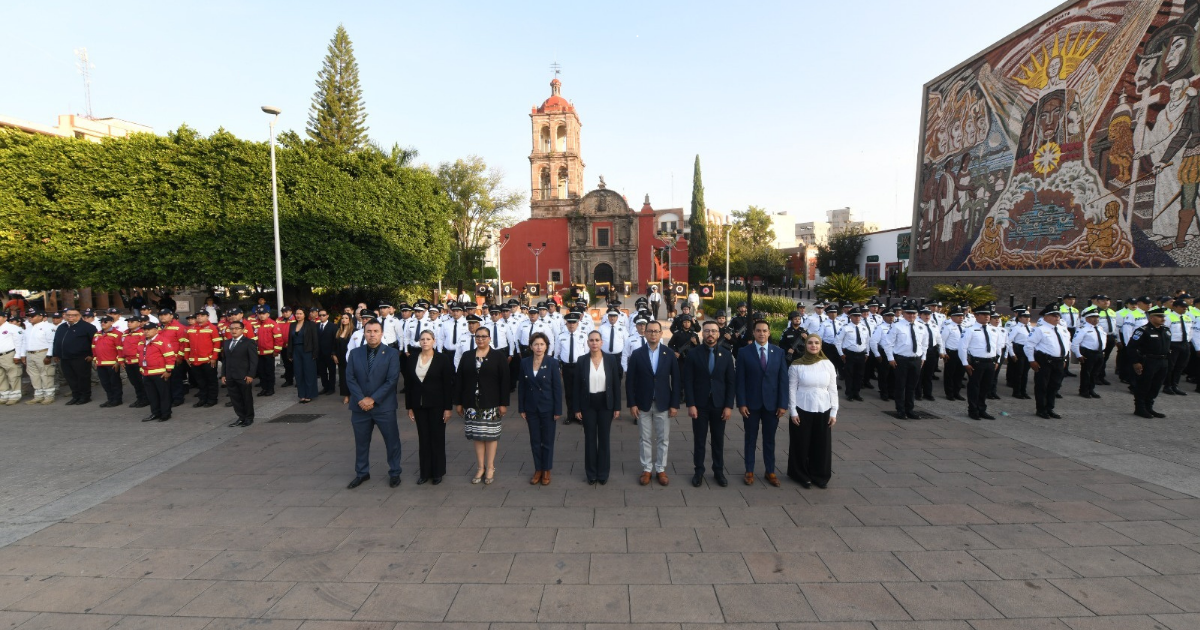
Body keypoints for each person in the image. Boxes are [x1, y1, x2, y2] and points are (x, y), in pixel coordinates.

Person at [346, 320, 403, 488]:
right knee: (361, 442)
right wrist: (361, 399)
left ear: (381, 333)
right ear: (364, 333)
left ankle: (395, 472)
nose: (372, 334)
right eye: (369, 331)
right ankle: (362, 473)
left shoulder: (391, 353)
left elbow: (392, 380)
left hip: (384, 406)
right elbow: (350, 378)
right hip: (360, 406)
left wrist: (373, 399)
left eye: (375, 331)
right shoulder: (355, 353)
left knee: (392, 441)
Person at [625, 320, 680, 486]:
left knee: (663, 438)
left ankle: (661, 469)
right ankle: (647, 469)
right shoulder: (637, 354)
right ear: (645, 333)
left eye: (656, 331)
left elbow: (676, 380)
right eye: (650, 331)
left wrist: (674, 404)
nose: (653, 334)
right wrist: (632, 403)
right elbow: (630, 381)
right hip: (643, 403)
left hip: (663, 402)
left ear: (661, 334)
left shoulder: (669, 353)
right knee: (645, 438)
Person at [735, 320, 789, 486]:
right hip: (751, 404)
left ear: (769, 332)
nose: (762, 333)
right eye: (758, 330)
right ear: (754, 332)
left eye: (765, 330)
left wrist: (783, 404)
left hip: (772, 405)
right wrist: (741, 403)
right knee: (750, 438)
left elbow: (783, 380)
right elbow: (740, 380)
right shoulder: (744, 352)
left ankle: (770, 471)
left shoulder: (778, 352)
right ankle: (749, 470)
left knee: (769, 439)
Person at [455, 325, 511, 485]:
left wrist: (503, 403)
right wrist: (458, 402)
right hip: (472, 403)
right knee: (478, 436)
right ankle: (480, 467)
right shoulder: (467, 356)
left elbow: (504, 381)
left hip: (491, 403)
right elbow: (460, 380)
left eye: (484, 336)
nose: (480, 339)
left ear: (489, 338)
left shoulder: (498, 356)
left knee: (491, 436)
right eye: (478, 336)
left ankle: (491, 466)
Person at [682, 320, 735, 487]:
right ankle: (699, 471)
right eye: (707, 331)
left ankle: (718, 471)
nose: (710, 334)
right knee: (699, 440)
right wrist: (691, 404)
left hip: (719, 405)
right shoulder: (693, 353)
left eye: (713, 331)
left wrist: (728, 406)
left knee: (718, 440)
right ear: (702, 333)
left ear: (718, 334)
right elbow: (688, 381)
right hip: (700, 404)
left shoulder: (726, 355)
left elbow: (730, 382)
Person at [787, 335, 838, 488]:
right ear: (805, 345)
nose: (813, 346)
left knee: (821, 444)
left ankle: (819, 475)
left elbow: (833, 389)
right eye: (810, 343)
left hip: (823, 408)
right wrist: (793, 411)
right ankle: (800, 474)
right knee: (801, 443)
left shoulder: (828, 364)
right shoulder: (797, 365)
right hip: (802, 407)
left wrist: (834, 411)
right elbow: (791, 389)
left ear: (821, 345)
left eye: (816, 343)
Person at [406, 330, 455, 485]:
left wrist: (448, 408)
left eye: (428, 339)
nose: (425, 342)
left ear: (434, 341)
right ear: (419, 342)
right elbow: (409, 384)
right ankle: (424, 472)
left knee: (437, 438)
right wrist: (410, 407)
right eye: (422, 339)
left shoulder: (442, 359)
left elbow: (448, 385)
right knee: (423, 438)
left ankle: (438, 472)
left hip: (437, 405)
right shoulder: (413, 358)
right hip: (418, 405)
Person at [575, 331, 621, 485]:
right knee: (589, 439)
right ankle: (591, 473)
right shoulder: (581, 361)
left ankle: (603, 473)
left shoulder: (610, 359)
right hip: (588, 404)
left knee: (604, 438)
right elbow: (576, 387)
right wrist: (576, 408)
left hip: (605, 403)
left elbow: (616, 384)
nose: (594, 343)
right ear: (587, 343)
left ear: (602, 342)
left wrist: (617, 406)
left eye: (597, 340)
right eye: (591, 340)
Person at [517, 332, 563, 485]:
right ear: (530, 346)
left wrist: (558, 410)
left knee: (548, 440)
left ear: (546, 346)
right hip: (531, 408)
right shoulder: (524, 363)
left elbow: (557, 388)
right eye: (536, 344)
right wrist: (521, 408)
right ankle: (538, 469)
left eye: (542, 344)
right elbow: (522, 387)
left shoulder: (552, 363)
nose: (539, 347)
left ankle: (547, 469)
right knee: (535, 440)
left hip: (548, 407)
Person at [883, 304, 928, 419]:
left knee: (912, 386)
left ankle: (910, 409)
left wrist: (923, 358)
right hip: (901, 359)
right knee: (900, 386)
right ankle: (900, 410)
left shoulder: (921, 326)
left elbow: (924, 344)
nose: (911, 315)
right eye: (909, 313)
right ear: (903, 313)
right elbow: (888, 343)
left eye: (913, 313)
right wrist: (890, 358)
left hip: (916, 360)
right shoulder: (897, 326)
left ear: (917, 314)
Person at [1025, 306, 1070, 419]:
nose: (1057, 317)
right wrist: (1031, 360)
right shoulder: (1039, 329)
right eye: (1054, 315)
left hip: (1059, 361)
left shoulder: (1062, 329)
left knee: (1055, 386)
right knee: (1042, 386)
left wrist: (1064, 359)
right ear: (1046, 316)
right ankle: (1041, 409)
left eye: (1058, 315)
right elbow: (1029, 345)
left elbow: (1066, 345)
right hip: (1045, 361)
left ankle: (1050, 408)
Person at [1127, 307, 1172, 418]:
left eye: (1163, 316)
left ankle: (1149, 407)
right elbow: (1131, 347)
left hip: (1163, 361)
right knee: (1144, 385)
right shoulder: (1143, 330)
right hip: (1149, 361)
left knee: (1156, 386)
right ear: (1152, 317)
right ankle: (1140, 408)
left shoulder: (1166, 330)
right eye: (1160, 316)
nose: (1163, 319)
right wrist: (1136, 362)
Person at [959, 308, 1001, 420]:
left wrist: (998, 360)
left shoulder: (993, 330)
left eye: (988, 315)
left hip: (990, 362)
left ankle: (982, 409)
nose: (987, 316)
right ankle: (973, 410)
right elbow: (962, 347)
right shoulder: (970, 330)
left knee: (985, 387)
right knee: (974, 387)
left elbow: (997, 347)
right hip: (977, 362)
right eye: (983, 314)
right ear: (976, 316)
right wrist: (965, 363)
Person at [53, 308, 97, 405]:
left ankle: (85, 396)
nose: (70, 317)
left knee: (83, 378)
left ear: (79, 316)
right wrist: (56, 353)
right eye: (68, 315)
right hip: (65, 358)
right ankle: (75, 396)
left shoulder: (88, 327)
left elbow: (95, 342)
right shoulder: (62, 327)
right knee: (70, 378)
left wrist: (92, 355)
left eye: (73, 315)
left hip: (81, 358)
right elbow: (56, 341)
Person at [222, 320, 259, 427]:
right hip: (230, 375)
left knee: (246, 398)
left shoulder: (249, 342)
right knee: (235, 398)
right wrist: (224, 374)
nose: (234, 331)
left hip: (243, 375)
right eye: (232, 328)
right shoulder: (227, 342)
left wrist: (251, 375)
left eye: (237, 328)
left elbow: (253, 360)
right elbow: (225, 360)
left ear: (242, 330)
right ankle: (240, 417)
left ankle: (249, 418)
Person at [138, 322, 177, 422]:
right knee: (152, 395)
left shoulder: (162, 341)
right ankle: (155, 413)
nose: (146, 331)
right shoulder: (142, 341)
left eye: (149, 329)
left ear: (156, 330)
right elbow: (140, 355)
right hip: (147, 373)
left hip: (160, 373)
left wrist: (168, 370)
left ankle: (166, 414)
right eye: (145, 329)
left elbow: (170, 357)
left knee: (163, 395)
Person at [182, 310, 221, 408]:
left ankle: (212, 399)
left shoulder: (212, 328)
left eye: (202, 315)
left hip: (208, 360)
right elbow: (186, 344)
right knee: (200, 382)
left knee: (211, 381)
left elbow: (217, 344)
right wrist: (186, 356)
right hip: (194, 360)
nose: (199, 317)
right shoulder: (190, 329)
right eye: (198, 315)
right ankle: (203, 399)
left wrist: (214, 358)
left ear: (207, 317)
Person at [557, 313, 588, 424]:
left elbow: (587, 353)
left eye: (573, 322)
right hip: (566, 367)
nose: (571, 325)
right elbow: (557, 353)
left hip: (579, 367)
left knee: (580, 391)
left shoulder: (583, 335)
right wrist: (558, 368)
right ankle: (570, 415)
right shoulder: (561, 336)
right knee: (569, 392)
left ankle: (580, 415)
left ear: (577, 323)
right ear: (566, 323)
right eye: (569, 322)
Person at [22, 310, 57, 405]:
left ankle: (49, 396)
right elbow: (24, 343)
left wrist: (49, 355)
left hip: (43, 352)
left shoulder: (49, 327)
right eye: (29, 316)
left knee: (46, 374)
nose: (30, 318)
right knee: (34, 375)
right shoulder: (28, 328)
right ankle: (38, 396)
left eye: (33, 316)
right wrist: (23, 355)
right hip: (30, 353)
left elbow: (52, 342)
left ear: (40, 316)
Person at [836, 309, 871, 402]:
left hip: (861, 354)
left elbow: (867, 342)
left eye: (859, 316)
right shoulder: (845, 327)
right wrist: (841, 354)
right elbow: (838, 341)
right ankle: (849, 393)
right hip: (850, 354)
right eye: (855, 316)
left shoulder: (864, 328)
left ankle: (857, 393)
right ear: (850, 317)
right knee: (849, 374)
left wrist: (867, 353)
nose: (857, 318)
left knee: (859, 375)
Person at [1072, 307, 1107, 399]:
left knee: (1095, 373)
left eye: (1097, 317)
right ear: (1087, 319)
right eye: (1093, 317)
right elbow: (1075, 343)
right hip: (1088, 354)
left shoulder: (1100, 328)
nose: (1096, 319)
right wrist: (1078, 355)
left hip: (1099, 353)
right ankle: (1084, 390)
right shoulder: (1082, 329)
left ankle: (1091, 389)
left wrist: (1102, 351)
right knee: (1086, 373)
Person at [1164, 299, 1195, 395]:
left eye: (1186, 307)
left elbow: (1191, 331)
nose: (1185, 308)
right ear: (1175, 307)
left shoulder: (1187, 317)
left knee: (1181, 366)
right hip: (1173, 344)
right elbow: (1165, 332)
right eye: (1182, 307)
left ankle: (1175, 385)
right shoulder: (1169, 317)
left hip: (1185, 344)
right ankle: (1167, 386)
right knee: (1171, 366)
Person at [91, 316, 123, 407]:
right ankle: (110, 399)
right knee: (105, 383)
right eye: (102, 321)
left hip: (112, 363)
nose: (103, 323)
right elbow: (94, 348)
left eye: (105, 321)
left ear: (112, 322)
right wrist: (95, 360)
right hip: (100, 363)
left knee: (114, 382)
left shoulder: (117, 334)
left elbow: (120, 349)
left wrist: (118, 362)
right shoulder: (97, 334)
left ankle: (117, 399)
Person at [290, 308, 320, 403]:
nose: (298, 315)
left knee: (309, 373)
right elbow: (290, 340)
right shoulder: (292, 325)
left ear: (304, 315)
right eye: (296, 313)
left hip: (308, 350)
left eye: (300, 313)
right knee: (298, 373)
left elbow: (315, 339)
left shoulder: (310, 324)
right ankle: (302, 394)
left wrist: (315, 353)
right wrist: (290, 353)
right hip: (296, 351)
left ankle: (309, 394)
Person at [117, 315, 148, 408]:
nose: (129, 323)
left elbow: (144, 348)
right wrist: (121, 360)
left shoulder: (142, 333)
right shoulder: (125, 334)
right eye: (128, 321)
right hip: (128, 362)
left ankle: (146, 399)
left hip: (138, 362)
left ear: (139, 323)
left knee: (142, 382)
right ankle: (139, 398)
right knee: (134, 382)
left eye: (132, 321)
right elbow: (121, 348)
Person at [940, 307, 967, 401]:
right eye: (958, 316)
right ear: (952, 317)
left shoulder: (965, 327)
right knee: (950, 374)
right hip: (951, 353)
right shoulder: (948, 327)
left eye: (962, 316)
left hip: (962, 353)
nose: (961, 317)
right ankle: (949, 393)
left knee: (960, 374)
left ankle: (957, 392)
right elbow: (942, 340)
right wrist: (943, 352)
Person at [0, 311, 26, 405]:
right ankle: (4, 395)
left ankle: (15, 395)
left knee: (13, 375)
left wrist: (17, 355)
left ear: (5, 318)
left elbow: (19, 342)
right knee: (1, 377)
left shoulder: (12, 327)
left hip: (9, 354)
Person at [314, 307, 337, 395]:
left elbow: (335, 341)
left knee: (332, 371)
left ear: (327, 316)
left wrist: (333, 352)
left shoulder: (333, 326)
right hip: (320, 354)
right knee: (322, 372)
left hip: (330, 353)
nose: (321, 317)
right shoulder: (316, 326)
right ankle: (325, 387)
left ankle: (332, 388)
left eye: (323, 315)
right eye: (320, 315)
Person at [333, 313, 354, 403]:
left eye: (346, 318)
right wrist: (334, 355)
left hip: (350, 358)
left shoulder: (353, 331)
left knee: (352, 377)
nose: (344, 320)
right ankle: (346, 395)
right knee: (343, 377)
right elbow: (334, 345)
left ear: (350, 319)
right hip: (340, 358)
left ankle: (354, 394)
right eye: (342, 318)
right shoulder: (338, 331)